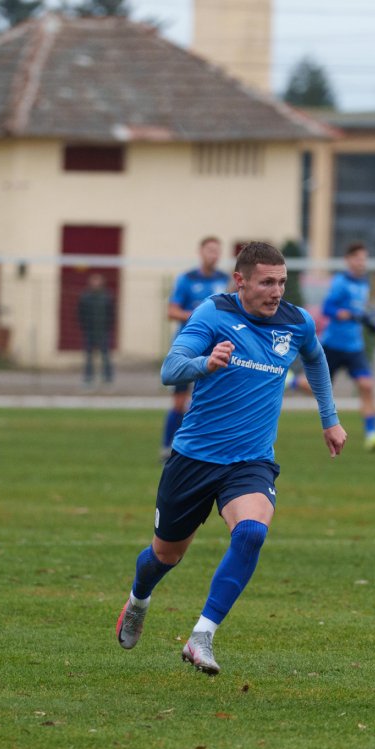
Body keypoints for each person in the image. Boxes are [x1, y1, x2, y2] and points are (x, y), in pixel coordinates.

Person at [115, 242, 347, 675]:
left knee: (253, 532)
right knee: (164, 556)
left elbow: (316, 360)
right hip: (194, 459)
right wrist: (206, 363)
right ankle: (137, 600)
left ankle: (202, 635)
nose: (276, 291)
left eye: (281, 281)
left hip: (250, 461)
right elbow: (170, 369)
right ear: (240, 280)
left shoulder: (296, 323)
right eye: (266, 282)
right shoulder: (213, 313)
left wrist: (329, 419)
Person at [162, 236, 230, 459]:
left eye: (217, 251)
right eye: (210, 250)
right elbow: (171, 311)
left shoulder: (225, 280)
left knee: (209, 400)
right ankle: (167, 447)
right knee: (180, 402)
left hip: (214, 349)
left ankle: (203, 448)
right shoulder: (187, 279)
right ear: (200, 252)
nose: (214, 255)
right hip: (190, 348)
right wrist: (197, 316)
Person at [320, 241, 375, 452]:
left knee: (367, 386)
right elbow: (327, 308)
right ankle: (293, 382)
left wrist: (368, 320)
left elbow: (358, 311)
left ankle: (372, 434)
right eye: (358, 258)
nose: (362, 263)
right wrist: (344, 314)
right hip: (332, 345)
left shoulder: (364, 284)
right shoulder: (341, 282)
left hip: (354, 347)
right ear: (348, 260)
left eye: (364, 259)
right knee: (315, 388)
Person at [78, 272, 115, 386]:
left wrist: (108, 327)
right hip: (89, 331)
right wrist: (85, 327)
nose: (96, 284)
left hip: (103, 331)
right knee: (89, 357)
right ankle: (88, 379)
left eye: (97, 281)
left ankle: (107, 379)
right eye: (94, 281)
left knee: (106, 356)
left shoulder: (107, 297)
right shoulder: (85, 297)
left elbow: (111, 314)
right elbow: (80, 313)